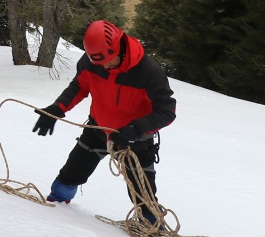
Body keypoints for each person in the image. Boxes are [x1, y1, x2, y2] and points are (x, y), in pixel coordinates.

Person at [31, 19, 176, 223]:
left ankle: (152, 228)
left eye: (109, 60)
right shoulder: (92, 61)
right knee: (71, 173)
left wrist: (135, 129)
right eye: (99, 63)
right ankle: (55, 207)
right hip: (97, 129)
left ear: (120, 47)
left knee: (144, 196)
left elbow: (166, 111)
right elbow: (79, 87)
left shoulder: (148, 71)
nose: (105, 66)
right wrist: (58, 108)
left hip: (134, 140)